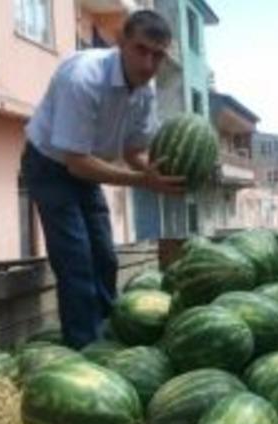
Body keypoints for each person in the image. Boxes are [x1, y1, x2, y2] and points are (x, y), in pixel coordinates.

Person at [21, 9, 184, 350]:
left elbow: (134, 151)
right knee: (76, 259)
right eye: (141, 50)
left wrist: (161, 171)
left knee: (105, 258)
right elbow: (76, 163)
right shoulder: (84, 78)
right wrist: (143, 181)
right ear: (121, 41)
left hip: (84, 167)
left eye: (158, 55)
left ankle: (108, 332)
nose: (149, 64)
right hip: (50, 166)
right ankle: (85, 349)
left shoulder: (145, 90)